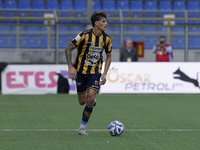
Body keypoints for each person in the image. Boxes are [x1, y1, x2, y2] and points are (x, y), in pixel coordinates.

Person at [65, 11, 112, 135]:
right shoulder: (83, 35)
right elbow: (68, 48)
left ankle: (82, 128)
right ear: (96, 23)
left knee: (90, 99)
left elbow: (109, 56)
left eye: (106, 21)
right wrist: (70, 66)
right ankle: (90, 99)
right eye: (103, 22)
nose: (106, 23)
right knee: (82, 102)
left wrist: (104, 73)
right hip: (81, 72)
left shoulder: (107, 39)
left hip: (95, 72)